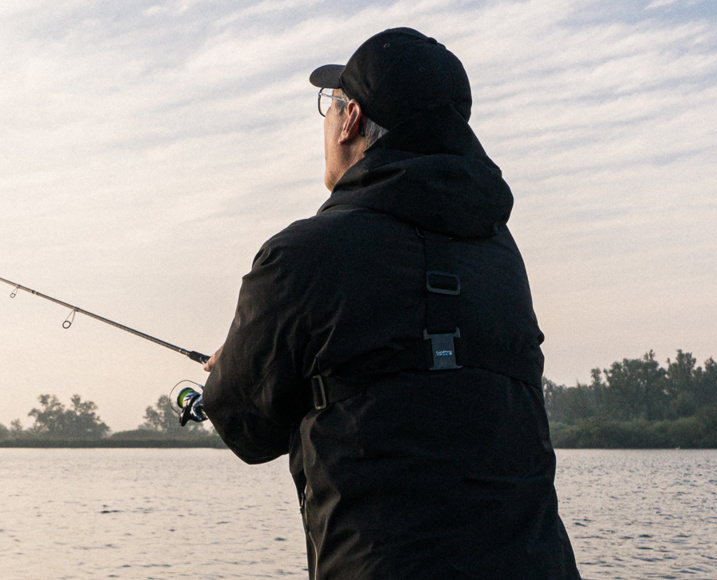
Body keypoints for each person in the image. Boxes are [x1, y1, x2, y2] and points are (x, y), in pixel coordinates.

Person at [200, 28, 580, 579]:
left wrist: (231, 366)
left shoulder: (300, 256)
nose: (328, 122)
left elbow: (245, 427)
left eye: (331, 106)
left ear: (351, 119)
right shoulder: (500, 254)